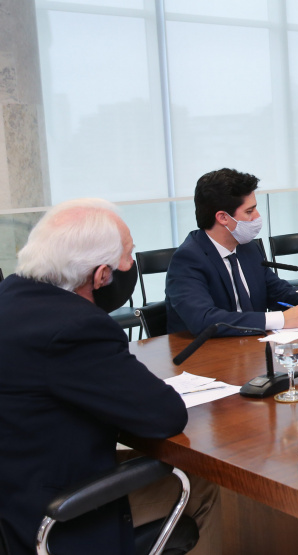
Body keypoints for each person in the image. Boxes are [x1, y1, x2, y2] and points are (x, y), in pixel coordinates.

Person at [0, 200, 189, 554]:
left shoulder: (9, 295)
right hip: (58, 519)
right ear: (101, 275)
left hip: (16, 493)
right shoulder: (75, 326)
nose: (131, 265)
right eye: (127, 255)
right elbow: (165, 415)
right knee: (203, 486)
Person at [166, 168, 298, 336]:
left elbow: (277, 291)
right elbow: (203, 320)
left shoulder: (248, 248)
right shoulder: (188, 259)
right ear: (223, 217)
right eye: (249, 211)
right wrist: (280, 319)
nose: (257, 216)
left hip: (252, 346)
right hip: (206, 350)